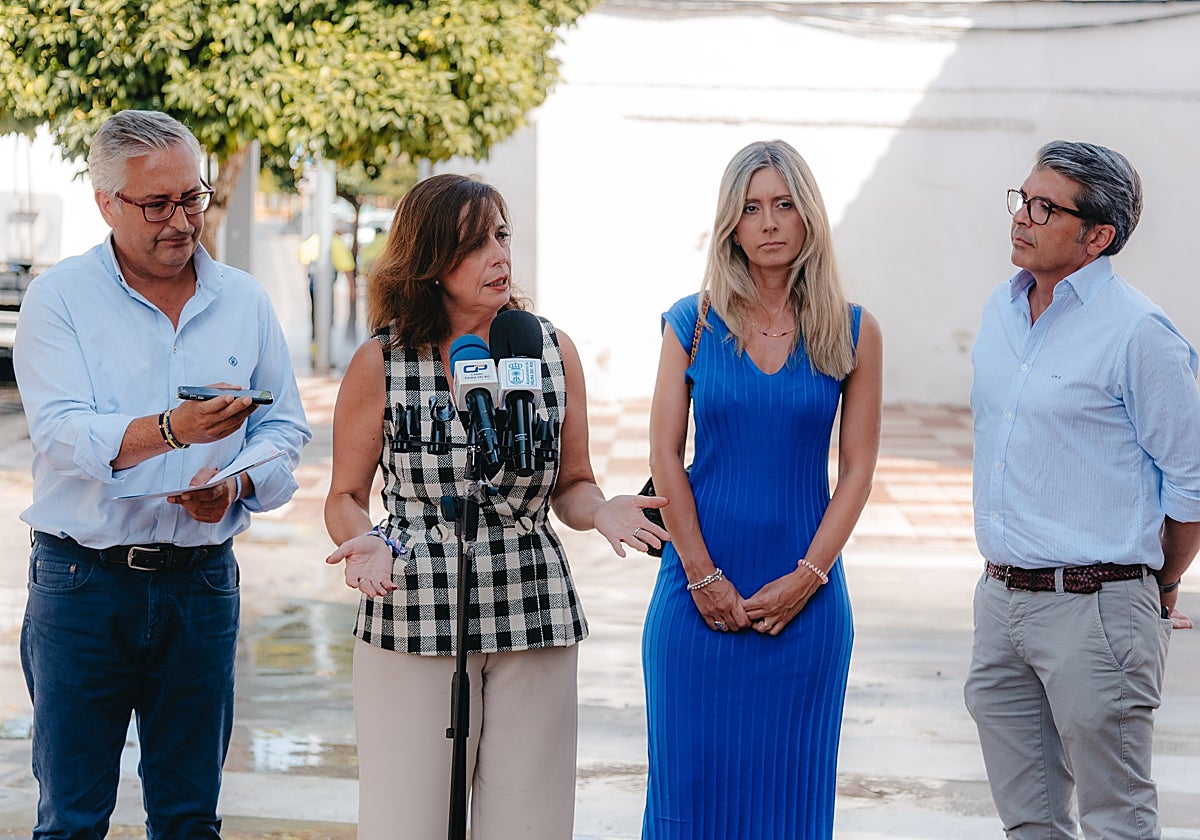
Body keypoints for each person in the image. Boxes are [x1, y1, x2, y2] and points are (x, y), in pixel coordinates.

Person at [323, 173, 667, 839]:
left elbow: (573, 482)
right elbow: (343, 494)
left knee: (530, 826)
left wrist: (600, 511)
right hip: (414, 610)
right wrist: (363, 541)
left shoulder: (550, 350)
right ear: (428, 262)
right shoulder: (384, 360)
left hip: (532, 609)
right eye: (473, 245)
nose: (499, 257)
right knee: (406, 824)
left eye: (502, 237)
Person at [13, 110, 311, 838]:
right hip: (83, 585)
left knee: (188, 819)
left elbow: (284, 427)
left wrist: (235, 484)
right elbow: (59, 434)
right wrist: (172, 430)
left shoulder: (242, 300)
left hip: (201, 584)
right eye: (157, 205)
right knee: (72, 818)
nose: (181, 220)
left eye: (194, 197)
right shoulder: (60, 300)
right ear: (106, 203)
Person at [641, 139, 883, 838]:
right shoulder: (692, 322)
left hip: (805, 605)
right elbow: (663, 452)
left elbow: (858, 470)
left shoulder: (853, 330)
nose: (769, 222)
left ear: (808, 217)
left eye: (783, 205)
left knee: (790, 811)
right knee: (686, 809)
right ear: (731, 225)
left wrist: (811, 576)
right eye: (751, 209)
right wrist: (701, 575)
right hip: (695, 598)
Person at [964, 141, 1200, 839]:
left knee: (1116, 822)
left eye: (1044, 208)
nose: (1022, 218)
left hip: (1097, 610)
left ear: (1098, 237)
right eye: (1021, 199)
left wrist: (1157, 583)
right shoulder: (999, 312)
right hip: (1001, 603)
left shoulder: (1139, 334)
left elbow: (1191, 477)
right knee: (1029, 822)